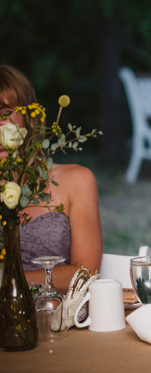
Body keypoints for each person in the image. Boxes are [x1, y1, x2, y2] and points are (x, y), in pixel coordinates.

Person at [0, 65, 102, 293]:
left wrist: (8, 283)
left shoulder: (76, 180)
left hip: (57, 320)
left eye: (3, 113)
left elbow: (86, 273)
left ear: (28, 117)